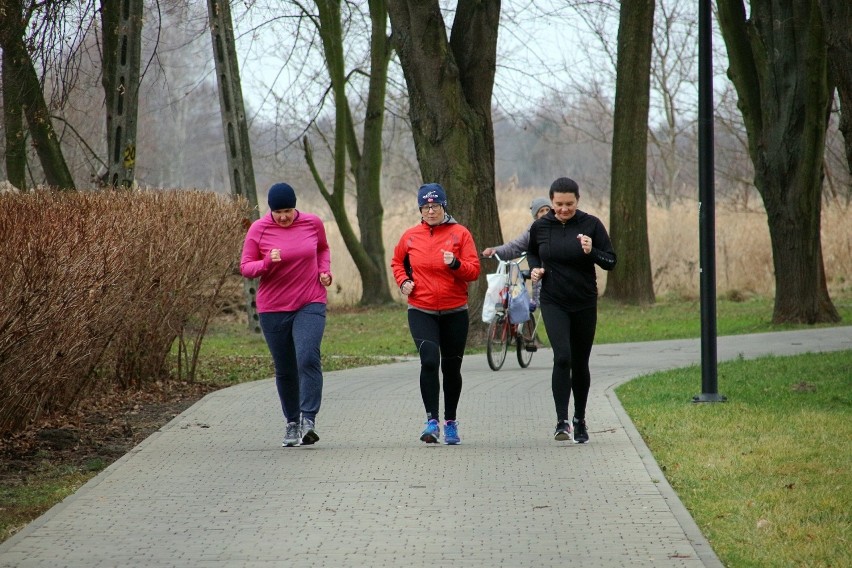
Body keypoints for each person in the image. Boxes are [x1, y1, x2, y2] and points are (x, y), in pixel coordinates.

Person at [240, 182, 333, 448]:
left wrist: (324, 272)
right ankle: (292, 423)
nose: (283, 216)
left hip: (310, 300)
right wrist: (268, 261)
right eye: (278, 211)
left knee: (307, 356)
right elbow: (246, 267)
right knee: (285, 368)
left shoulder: (312, 224)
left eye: (288, 210)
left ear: (296, 207)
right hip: (273, 307)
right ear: (271, 210)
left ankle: (308, 420)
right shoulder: (258, 229)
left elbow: (323, 249)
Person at [527, 177, 616, 444]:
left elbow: (611, 261)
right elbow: (532, 252)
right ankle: (561, 421)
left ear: (577, 201)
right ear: (551, 202)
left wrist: (591, 251)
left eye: (569, 204)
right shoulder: (541, 227)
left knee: (579, 361)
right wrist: (535, 268)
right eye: (558, 204)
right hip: (554, 300)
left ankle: (580, 418)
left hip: (584, 302)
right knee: (562, 357)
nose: (564, 209)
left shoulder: (591, 224)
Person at [391, 183, 481, 445]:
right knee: (429, 360)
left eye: (436, 206)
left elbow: (473, 270)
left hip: (455, 310)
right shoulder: (410, 236)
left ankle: (450, 421)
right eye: (426, 206)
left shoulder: (460, 234)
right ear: (420, 208)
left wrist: (455, 264)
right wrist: (403, 281)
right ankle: (431, 422)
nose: (431, 211)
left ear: (444, 206)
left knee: (452, 368)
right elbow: (397, 262)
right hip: (421, 308)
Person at [481, 196, 551, 312]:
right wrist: (494, 251)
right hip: (541, 284)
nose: (545, 214)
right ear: (536, 216)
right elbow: (513, 247)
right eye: (541, 211)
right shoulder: (531, 232)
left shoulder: (560, 228)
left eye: (547, 210)